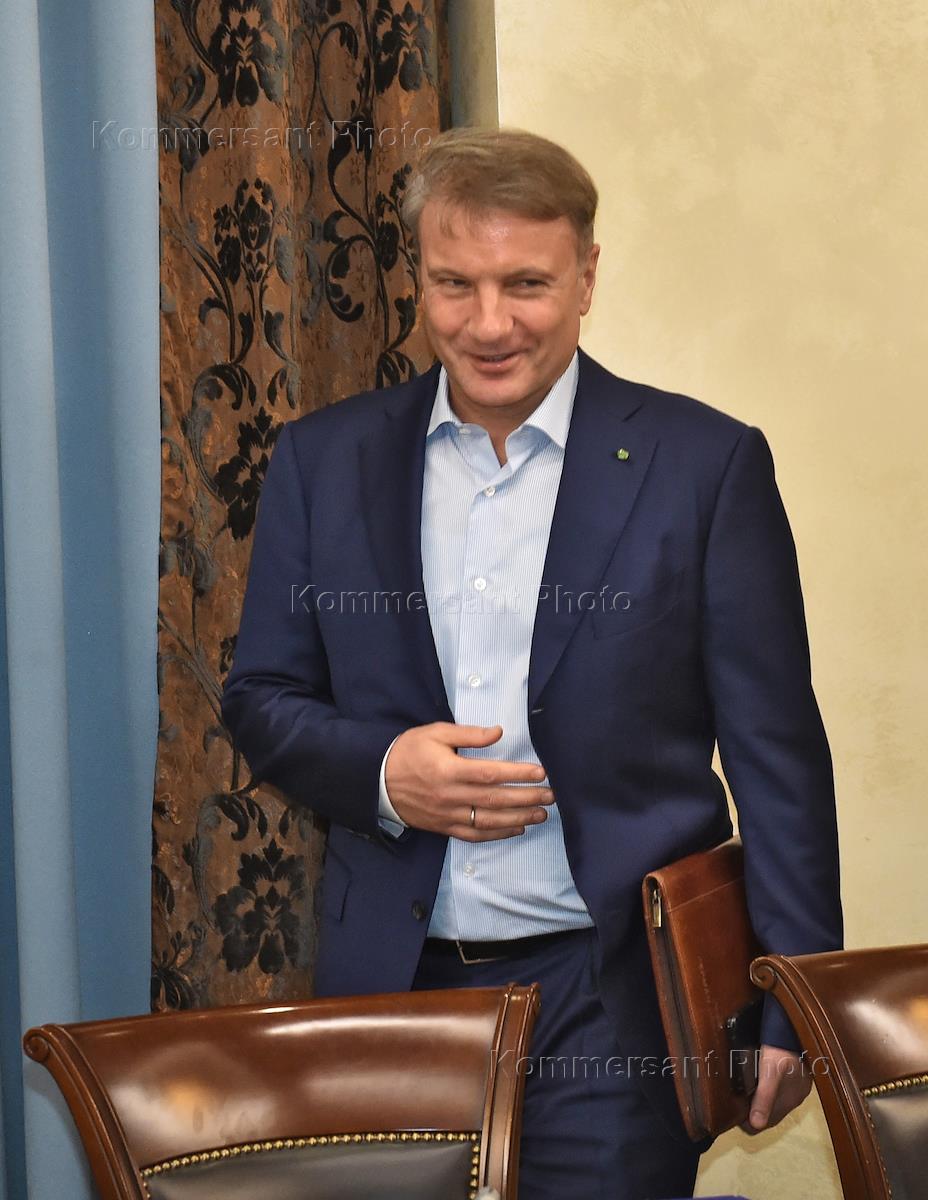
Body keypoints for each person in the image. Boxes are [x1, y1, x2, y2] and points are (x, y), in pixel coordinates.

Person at [222, 128, 842, 1199]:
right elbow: (261, 697)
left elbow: (775, 751)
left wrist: (796, 996)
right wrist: (384, 773)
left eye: (526, 284)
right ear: (417, 277)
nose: (489, 323)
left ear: (586, 277)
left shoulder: (704, 467)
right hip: (392, 996)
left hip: (613, 1005)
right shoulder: (322, 461)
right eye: (453, 283)